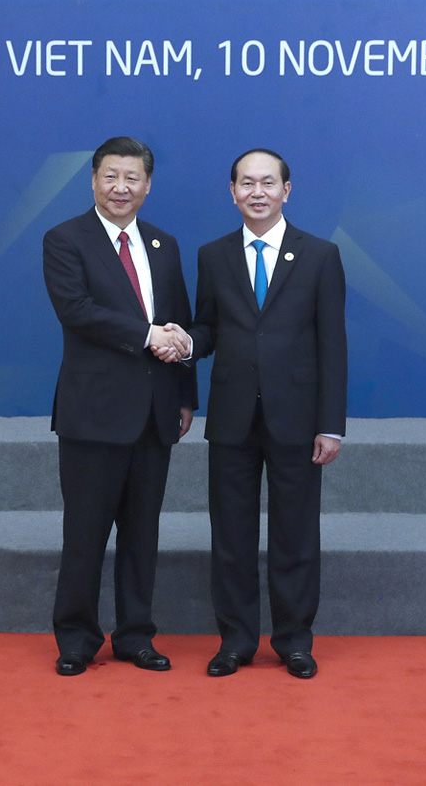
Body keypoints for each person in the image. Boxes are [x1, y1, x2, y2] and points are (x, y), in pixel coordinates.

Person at [161, 148, 347, 679]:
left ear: (287, 191)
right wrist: (185, 343)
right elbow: (209, 327)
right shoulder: (213, 255)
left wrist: (330, 425)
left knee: (295, 534)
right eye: (247, 183)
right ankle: (236, 642)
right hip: (232, 417)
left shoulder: (320, 255)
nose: (257, 192)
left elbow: (333, 344)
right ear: (232, 192)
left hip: (298, 419)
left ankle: (294, 642)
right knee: (231, 535)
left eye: (268, 183)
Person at [43, 136, 195, 676]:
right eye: (111, 176)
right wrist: (148, 335)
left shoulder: (163, 244)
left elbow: (178, 320)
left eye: (132, 178)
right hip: (94, 413)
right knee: (85, 534)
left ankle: (135, 635)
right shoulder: (65, 239)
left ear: (147, 185)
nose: (120, 187)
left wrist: (185, 395)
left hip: (155, 414)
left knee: (141, 534)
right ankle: (77, 638)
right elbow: (76, 310)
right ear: (93, 180)